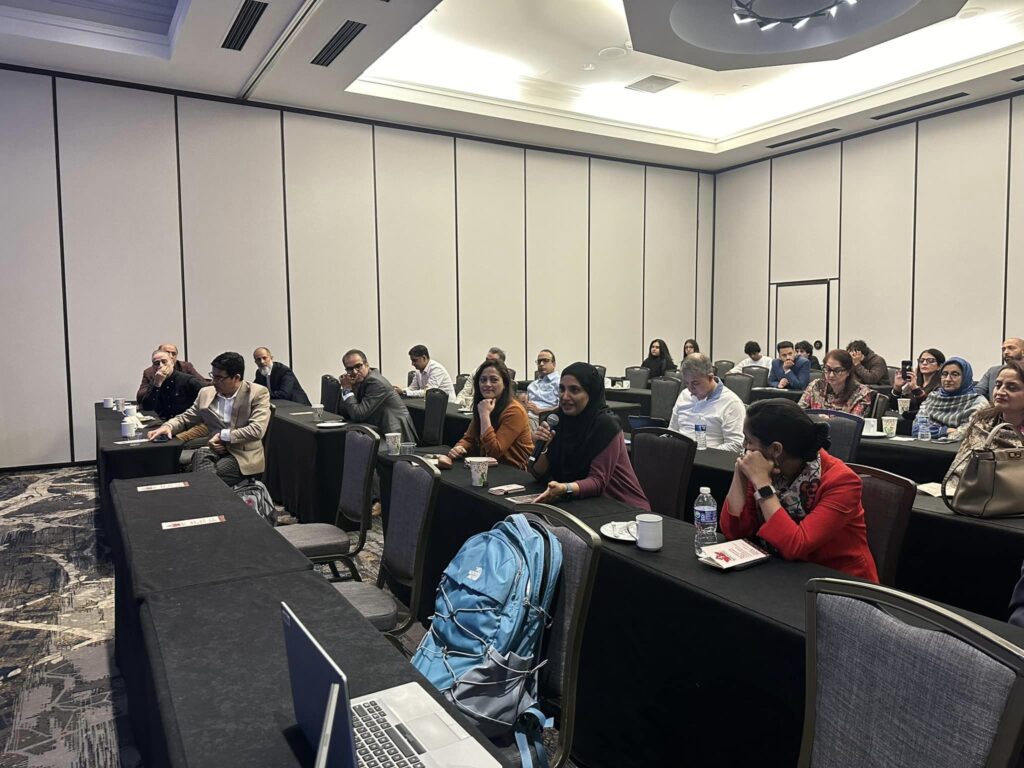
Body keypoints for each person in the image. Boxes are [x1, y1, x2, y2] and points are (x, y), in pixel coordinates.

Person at [721, 398, 878, 581]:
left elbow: (795, 545)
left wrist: (763, 485)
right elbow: (734, 532)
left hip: (837, 581)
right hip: (784, 573)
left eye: (748, 440)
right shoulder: (764, 468)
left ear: (776, 449)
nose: (744, 447)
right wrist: (740, 472)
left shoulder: (842, 481)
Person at [529, 362, 650, 510]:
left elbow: (597, 482)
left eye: (574, 390)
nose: (565, 396)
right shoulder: (556, 419)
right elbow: (539, 473)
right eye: (562, 389)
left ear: (590, 393)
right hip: (580, 503)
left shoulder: (606, 425)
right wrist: (542, 448)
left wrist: (565, 488)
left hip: (622, 507)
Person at [147, 352, 270, 486]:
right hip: (214, 449)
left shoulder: (257, 393)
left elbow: (257, 430)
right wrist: (168, 426)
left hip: (243, 456)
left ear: (236, 377)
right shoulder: (206, 393)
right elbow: (186, 417)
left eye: (219, 377)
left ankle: (202, 488)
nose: (213, 381)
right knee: (201, 459)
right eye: (213, 375)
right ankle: (205, 491)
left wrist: (223, 436)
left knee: (201, 476)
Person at [944, 360, 1024, 491]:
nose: (1000, 392)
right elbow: (961, 467)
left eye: (1012, 387)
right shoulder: (982, 422)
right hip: (974, 494)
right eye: (998, 385)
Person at [447, 359, 533, 470]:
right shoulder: (484, 404)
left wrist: (484, 415)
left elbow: (494, 452)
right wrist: (459, 447)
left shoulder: (515, 411)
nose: (487, 384)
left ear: (505, 384)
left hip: (513, 470)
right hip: (488, 467)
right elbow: (469, 438)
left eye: (494, 380)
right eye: (483, 380)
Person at [668, 354, 745, 453]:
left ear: (710, 378)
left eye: (695, 383)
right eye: (686, 383)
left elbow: (736, 446)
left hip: (710, 460)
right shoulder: (684, 395)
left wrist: (701, 454)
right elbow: (672, 430)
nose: (690, 390)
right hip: (679, 455)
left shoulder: (731, 403)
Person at [337, 349, 417, 442]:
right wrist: (351, 387)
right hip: (376, 431)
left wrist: (347, 389)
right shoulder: (359, 382)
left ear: (367, 365)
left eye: (358, 366)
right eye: (350, 369)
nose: (354, 372)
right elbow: (343, 411)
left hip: (394, 435)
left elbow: (358, 415)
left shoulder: (376, 382)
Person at [913, 357, 987, 439]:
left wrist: (933, 430)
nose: (948, 379)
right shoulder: (933, 397)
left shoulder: (978, 403)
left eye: (955, 374)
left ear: (966, 377)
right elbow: (916, 429)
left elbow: (967, 434)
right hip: (926, 445)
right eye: (944, 374)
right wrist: (945, 431)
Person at [798, 349, 873, 416]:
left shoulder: (862, 393)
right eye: (828, 369)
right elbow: (799, 412)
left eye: (837, 371)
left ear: (848, 372)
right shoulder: (816, 385)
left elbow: (855, 422)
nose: (831, 375)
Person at [139, 347, 203, 420]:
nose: (160, 365)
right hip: (163, 421)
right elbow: (147, 407)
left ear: (172, 363)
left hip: (186, 421)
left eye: (164, 361)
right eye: (156, 363)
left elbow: (207, 397)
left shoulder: (188, 380)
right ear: (153, 367)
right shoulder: (155, 381)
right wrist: (157, 385)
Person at [136, 342, 208, 403]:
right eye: (167, 352)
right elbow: (140, 397)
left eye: (173, 354)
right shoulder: (149, 372)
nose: (171, 356)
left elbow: (203, 384)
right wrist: (156, 383)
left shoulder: (185, 367)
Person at [889, 348, 945, 418]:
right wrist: (897, 388)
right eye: (921, 361)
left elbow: (929, 408)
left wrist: (916, 389)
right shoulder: (914, 382)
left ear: (939, 366)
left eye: (930, 361)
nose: (924, 363)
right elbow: (894, 407)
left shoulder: (941, 386)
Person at [525, 349, 560, 415]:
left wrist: (540, 411)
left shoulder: (560, 382)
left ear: (554, 364)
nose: (541, 364)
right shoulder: (532, 385)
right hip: (526, 415)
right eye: (539, 361)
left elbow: (562, 407)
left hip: (545, 417)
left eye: (545, 360)